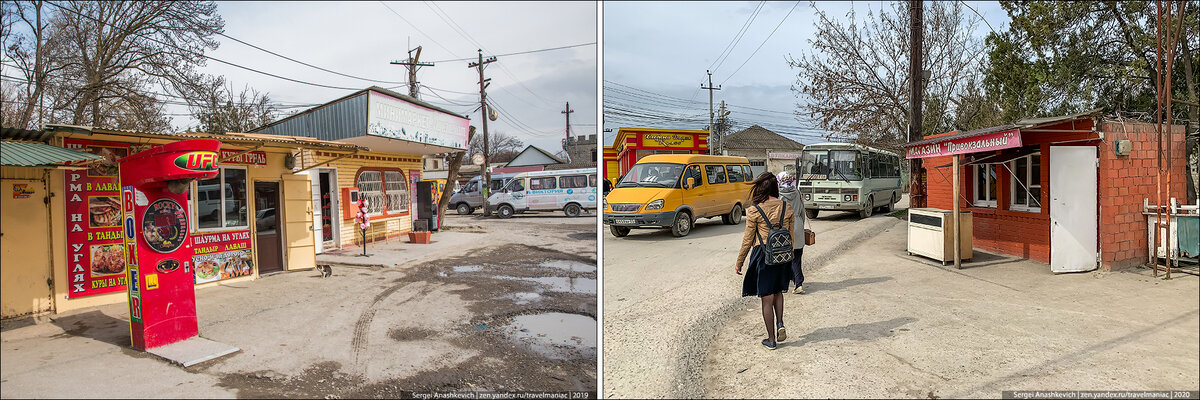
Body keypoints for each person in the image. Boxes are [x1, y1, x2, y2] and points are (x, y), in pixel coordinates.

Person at [735, 172, 795, 350]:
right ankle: (780, 324)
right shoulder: (787, 206)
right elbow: (790, 237)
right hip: (783, 256)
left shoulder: (754, 210)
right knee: (778, 292)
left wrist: (739, 262)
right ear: (776, 188)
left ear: (760, 189)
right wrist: (787, 257)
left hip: (763, 256)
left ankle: (771, 339)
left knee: (766, 298)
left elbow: (747, 240)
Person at [777, 170, 806, 294]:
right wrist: (801, 225)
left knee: (784, 257)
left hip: (785, 227)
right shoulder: (797, 193)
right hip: (798, 225)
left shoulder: (778, 195)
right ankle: (797, 282)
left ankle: (791, 282)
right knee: (797, 256)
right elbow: (802, 212)